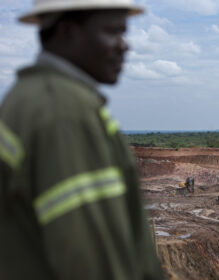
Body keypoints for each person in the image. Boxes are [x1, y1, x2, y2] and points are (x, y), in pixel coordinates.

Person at [0, 1, 163, 279]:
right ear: (67, 30)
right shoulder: (64, 113)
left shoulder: (27, 99)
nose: (125, 46)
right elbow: (90, 258)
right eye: (113, 32)